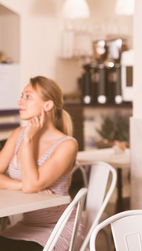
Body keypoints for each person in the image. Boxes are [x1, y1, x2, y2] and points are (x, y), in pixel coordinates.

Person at [0, 76, 84, 250]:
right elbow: (28, 185)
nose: (19, 101)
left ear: (48, 105)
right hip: (27, 225)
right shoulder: (18, 134)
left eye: (28, 96)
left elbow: (31, 187)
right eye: (21, 95)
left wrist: (29, 140)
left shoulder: (67, 145)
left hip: (59, 227)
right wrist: (20, 185)